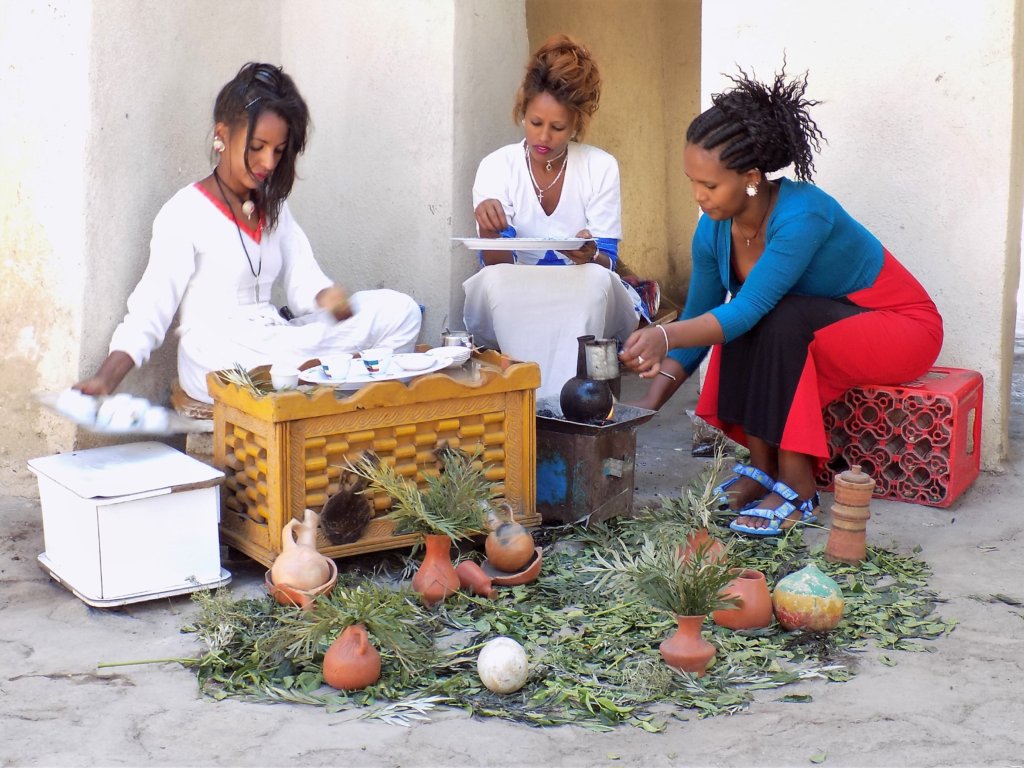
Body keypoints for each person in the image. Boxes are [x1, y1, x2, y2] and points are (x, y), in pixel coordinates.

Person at [621, 65, 942, 536]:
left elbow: (745, 311)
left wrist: (661, 333)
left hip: (900, 328)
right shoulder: (713, 230)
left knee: (773, 316)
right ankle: (763, 467)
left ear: (751, 178)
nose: (698, 196)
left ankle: (798, 485)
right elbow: (699, 320)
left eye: (709, 186)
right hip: (825, 326)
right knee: (750, 318)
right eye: (692, 181)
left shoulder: (803, 214)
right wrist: (648, 404)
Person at [76, 62, 421, 405]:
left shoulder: (275, 207)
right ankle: (335, 377)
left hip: (277, 338)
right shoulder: (184, 212)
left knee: (400, 311)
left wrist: (328, 298)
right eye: (257, 147)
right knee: (277, 358)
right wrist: (107, 378)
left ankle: (334, 382)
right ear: (222, 136)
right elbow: (151, 307)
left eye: (278, 150)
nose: (269, 163)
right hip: (219, 353)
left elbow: (305, 282)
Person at [463, 34, 642, 400]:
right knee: (495, 281)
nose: (543, 136)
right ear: (521, 112)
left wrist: (590, 253)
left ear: (576, 124)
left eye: (557, 128)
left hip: (580, 285)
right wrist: (488, 229)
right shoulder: (497, 166)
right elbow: (496, 262)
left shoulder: (600, 166)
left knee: (593, 281)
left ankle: (564, 402)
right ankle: (528, 398)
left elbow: (607, 261)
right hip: (515, 285)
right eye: (534, 122)